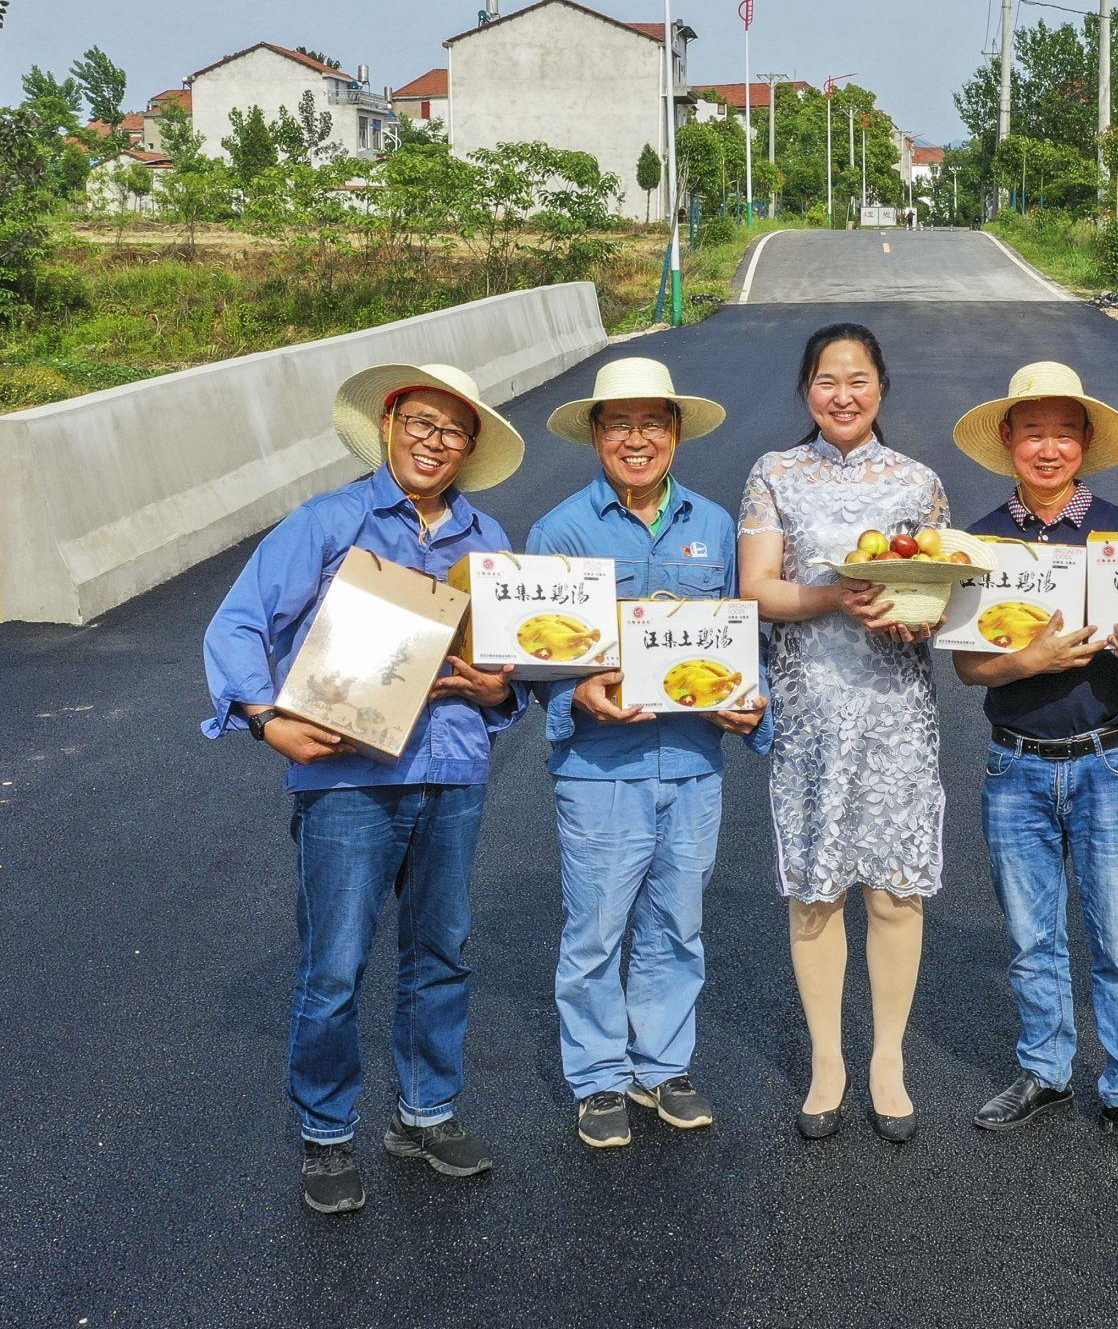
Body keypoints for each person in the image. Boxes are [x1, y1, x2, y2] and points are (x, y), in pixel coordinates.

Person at [201, 362, 529, 1211]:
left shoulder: (487, 540)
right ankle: (327, 1133)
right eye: (419, 422)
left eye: (452, 430)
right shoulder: (327, 522)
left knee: (444, 951)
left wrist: (498, 690)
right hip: (348, 779)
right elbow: (240, 622)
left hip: (451, 770)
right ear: (388, 425)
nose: (433, 442)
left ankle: (426, 1113)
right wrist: (265, 717)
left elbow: (507, 669)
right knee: (336, 963)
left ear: (470, 448)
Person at [946, 362, 1118, 1163]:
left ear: (1085, 443)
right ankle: (1045, 1070)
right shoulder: (980, 544)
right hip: (1014, 766)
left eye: (1063, 432)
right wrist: (1033, 660)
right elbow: (968, 668)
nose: (1047, 448)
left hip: (1109, 762)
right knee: (1031, 936)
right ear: (1008, 442)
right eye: (1032, 432)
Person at [524, 357, 771, 1150]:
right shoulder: (559, 531)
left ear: (676, 434)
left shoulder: (713, 526)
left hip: (695, 764)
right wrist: (574, 695)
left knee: (678, 920)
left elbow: (739, 635)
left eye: (652, 424)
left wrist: (751, 702)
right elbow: (529, 650)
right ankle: (597, 1075)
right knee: (595, 926)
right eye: (619, 424)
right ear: (596, 435)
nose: (637, 440)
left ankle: (660, 1065)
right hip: (600, 770)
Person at [737, 322, 946, 1143]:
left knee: (896, 890)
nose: (843, 394)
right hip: (812, 708)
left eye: (859, 379)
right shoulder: (775, 474)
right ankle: (829, 1059)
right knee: (816, 893)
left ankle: (888, 1059)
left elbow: (941, 596)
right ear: (807, 391)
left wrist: (914, 620)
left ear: (882, 388)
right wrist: (834, 597)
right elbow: (757, 588)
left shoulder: (919, 482)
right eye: (827, 380)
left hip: (897, 709)